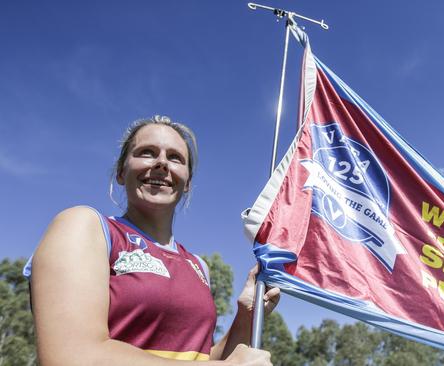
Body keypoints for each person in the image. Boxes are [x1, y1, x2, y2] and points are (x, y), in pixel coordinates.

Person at [26, 115, 279, 365]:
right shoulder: (85, 226)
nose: (161, 164)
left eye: (175, 157)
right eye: (147, 152)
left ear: (188, 182)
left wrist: (246, 317)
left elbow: (200, 359)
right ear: (121, 173)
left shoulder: (198, 266)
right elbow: (72, 357)